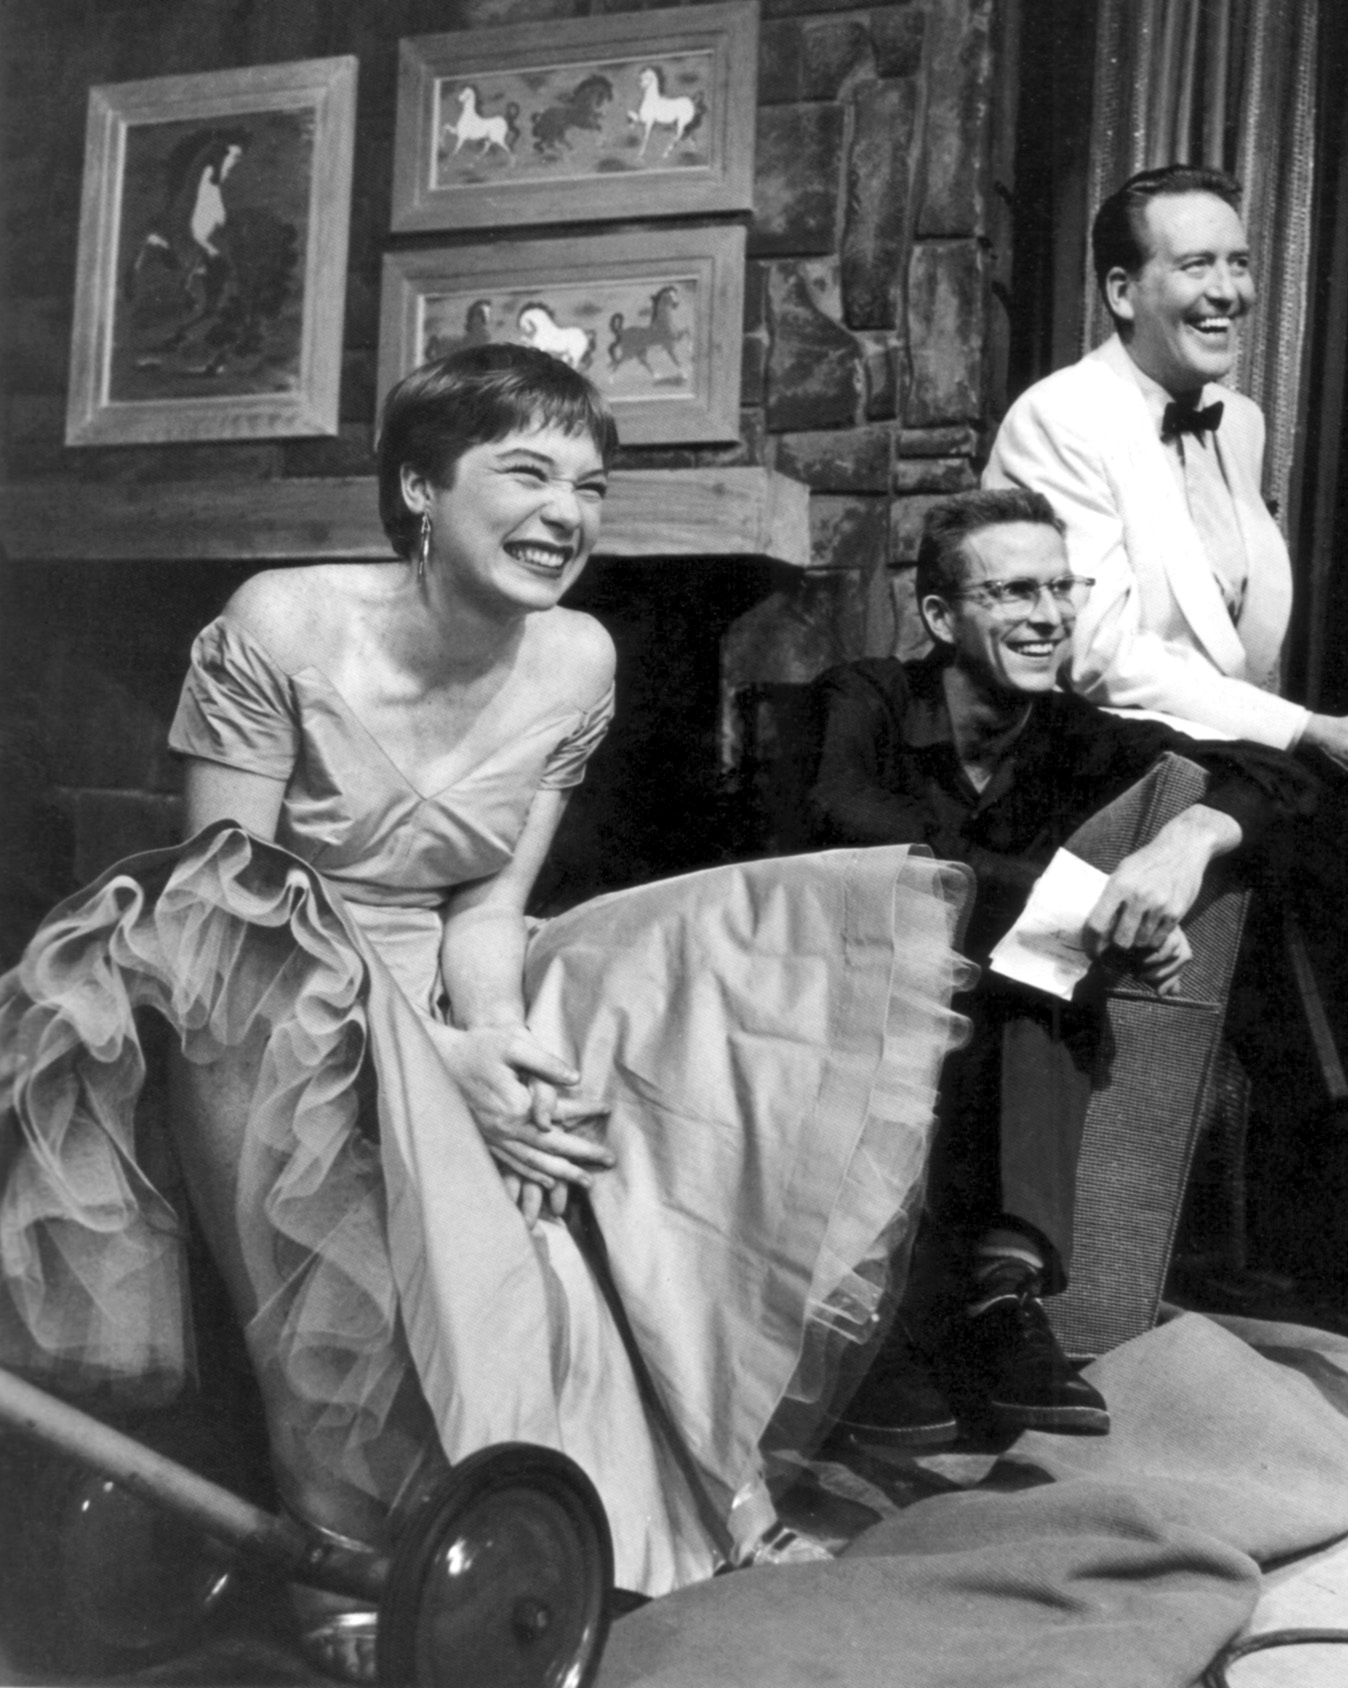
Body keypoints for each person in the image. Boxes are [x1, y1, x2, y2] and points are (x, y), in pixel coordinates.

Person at [0, 346, 975, 1678]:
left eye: (592, 485)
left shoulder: (576, 658)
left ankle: (671, 1501)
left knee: (638, 1072)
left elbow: (486, 909)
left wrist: (498, 1043)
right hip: (255, 990)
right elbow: (219, 909)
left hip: (443, 980)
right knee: (348, 1087)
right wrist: (422, 1063)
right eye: (527, 473)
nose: (567, 513)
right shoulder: (282, 620)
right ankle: (343, 1548)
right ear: (419, 488)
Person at [982, 165, 1348, 1401]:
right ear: (1120, 290)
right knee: (1295, 814)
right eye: (1193, 264)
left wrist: (1281, 749)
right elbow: (1095, 657)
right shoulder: (1058, 417)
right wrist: (1305, 734)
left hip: (1202, 748)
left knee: (1291, 822)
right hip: (1081, 752)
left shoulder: (1236, 423)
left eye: (1238, 261)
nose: (1227, 289)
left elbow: (1227, 649)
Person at [808, 487, 1334, 1444]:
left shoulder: (1076, 734)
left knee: (1038, 967)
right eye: (1014, 592)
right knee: (1039, 943)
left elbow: (1279, 777)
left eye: (1062, 588)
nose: (1049, 615)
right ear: (941, 617)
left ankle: (1001, 1299)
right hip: (834, 1000)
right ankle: (913, 1319)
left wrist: (1183, 850)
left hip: (1005, 1020)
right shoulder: (865, 698)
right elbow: (855, 830)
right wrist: (1093, 914)